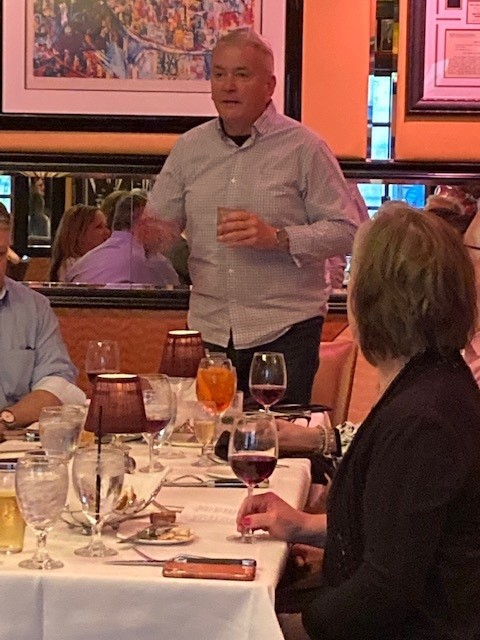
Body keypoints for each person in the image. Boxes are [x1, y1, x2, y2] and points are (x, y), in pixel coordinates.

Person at [236, 203, 480, 640]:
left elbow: (386, 589)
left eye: (351, 279)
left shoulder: (423, 417)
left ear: (370, 300)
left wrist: (279, 629)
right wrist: (304, 528)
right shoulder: (431, 383)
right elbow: (405, 535)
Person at [146, 28, 358, 404]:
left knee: (276, 447)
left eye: (242, 75)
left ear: (270, 85)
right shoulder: (189, 149)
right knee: (206, 446)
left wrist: (277, 238)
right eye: (220, 74)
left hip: (285, 330)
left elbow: (348, 230)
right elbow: (160, 227)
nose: (229, 85)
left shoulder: (305, 148)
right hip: (209, 329)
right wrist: (149, 235)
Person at [0, 207, 86, 434]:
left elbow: (56, 382)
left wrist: (8, 418)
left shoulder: (34, 307)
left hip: (16, 445)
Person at [66, 193, 179, 286]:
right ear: (143, 223)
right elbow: (177, 296)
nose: (160, 231)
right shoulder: (152, 261)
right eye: (155, 223)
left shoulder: (82, 264)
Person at [49, 204, 110, 281]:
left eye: (106, 226)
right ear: (78, 234)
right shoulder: (74, 267)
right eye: (99, 227)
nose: (107, 232)